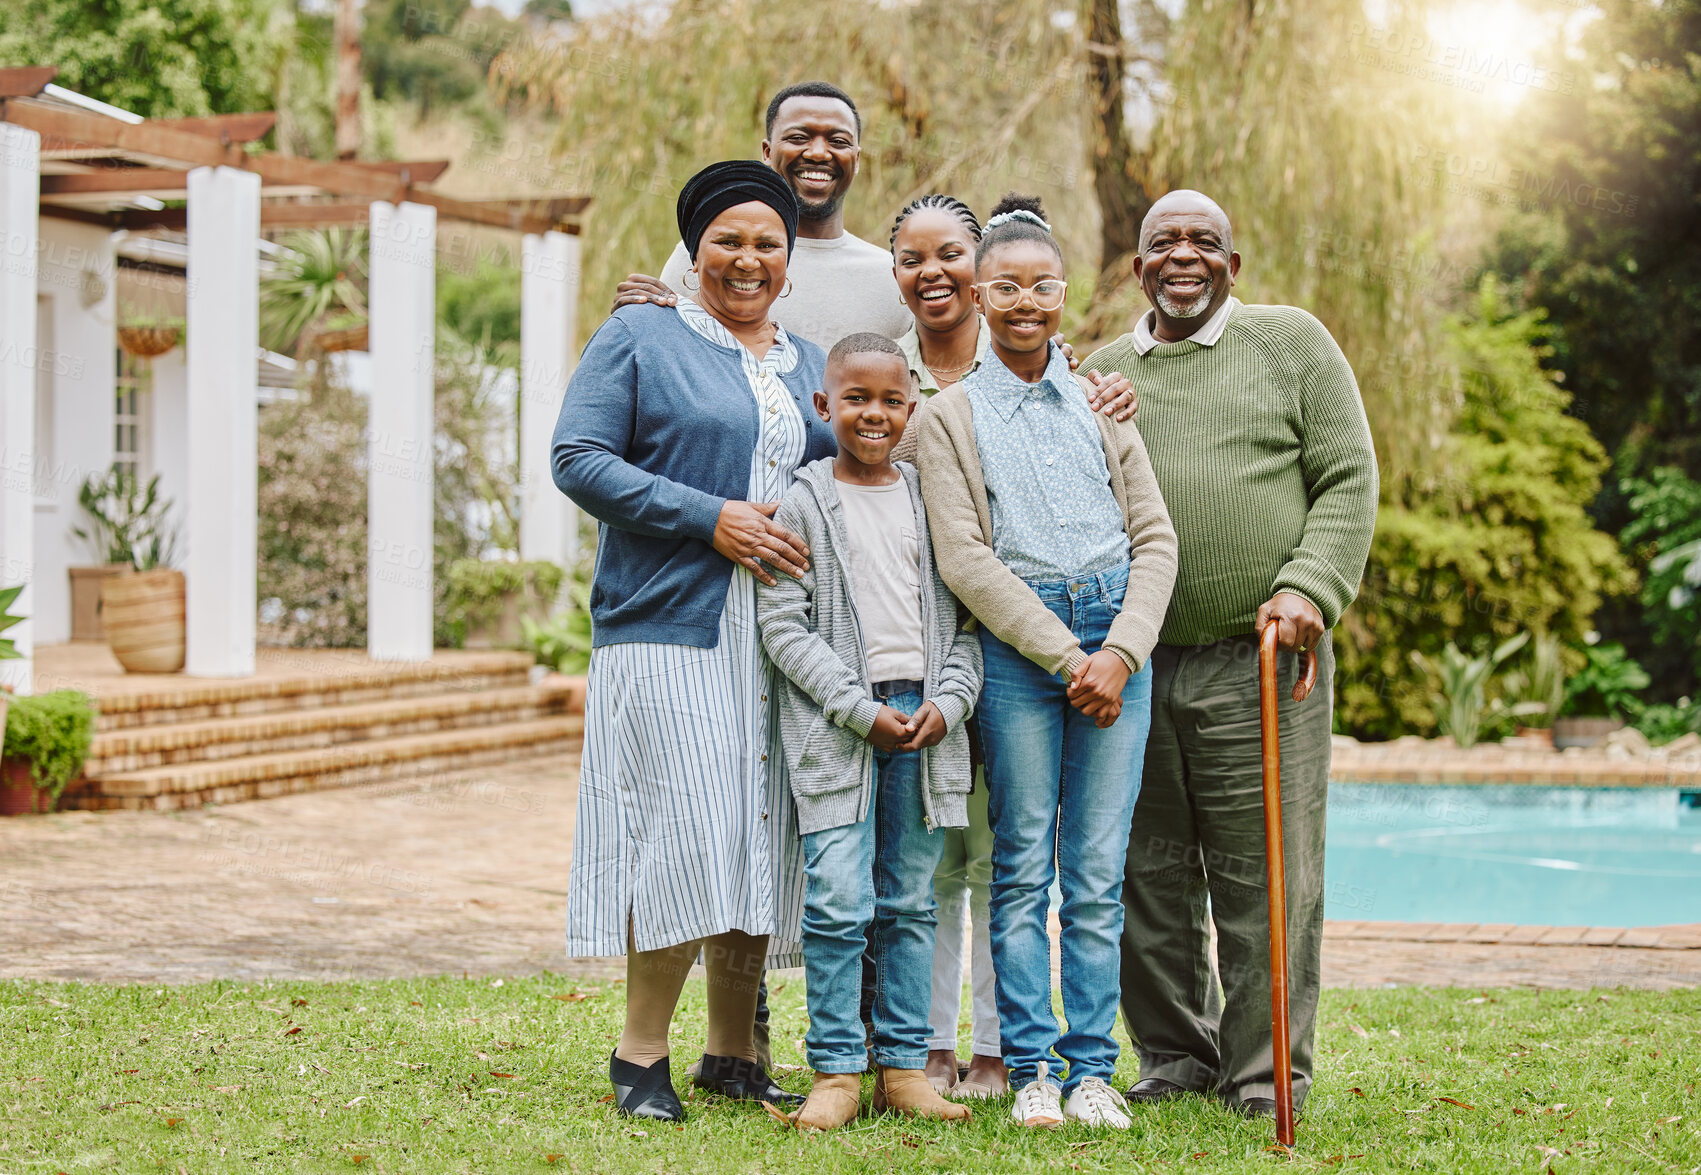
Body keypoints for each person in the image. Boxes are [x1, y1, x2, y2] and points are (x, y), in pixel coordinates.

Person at [1080, 189, 1378, 1118]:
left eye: (1203, 242)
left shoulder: (1291, 344)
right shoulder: (1100, 371)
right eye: (1162, 242)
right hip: (1134, 662)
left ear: (1231, 265)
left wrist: (1308, 586)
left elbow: (1347, 474)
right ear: (1136, 269)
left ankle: (1264, 1072)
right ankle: (1174, 1056)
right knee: (1148, 873)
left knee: (1264, 874)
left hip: (1259, 657)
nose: (1182, 255)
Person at [551, 159, 837, 1123]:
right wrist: (708, 516)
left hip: (778, 638)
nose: (747, 258)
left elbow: (870, 456)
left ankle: (732, 1049)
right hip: (668, 626)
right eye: (728, 239)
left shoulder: (808, 365)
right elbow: (577, 459)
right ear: (693, 250)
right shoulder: (640, 334)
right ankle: (640, 1055)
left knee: (756, 828)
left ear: (789, 262)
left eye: (767, 243)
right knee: (680, 830)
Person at [916, 194, 1178, 1130]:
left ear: (1064, 294)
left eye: (1042, 285)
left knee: (1096, 872)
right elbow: (964, 557)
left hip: (1118, 645)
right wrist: (1069, 657)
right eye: (1006, 286)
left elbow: (1154, 537)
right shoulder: (946, 417)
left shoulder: (1100, 400)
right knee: (1022, 863)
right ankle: (1030, 1066)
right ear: (979, 295)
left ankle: (1092, 1069)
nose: (1025, 301)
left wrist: (1120, 651)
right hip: (1027, 655)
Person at [756, 332, 983, 1131]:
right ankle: (835, 1071)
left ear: (910, 408)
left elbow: (965, 623)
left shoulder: (930, 498)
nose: (874, 414)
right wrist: (859, 709)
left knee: (910, 903)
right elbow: (783, 629)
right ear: (825, 407)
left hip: (925, 731)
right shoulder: (802, 503)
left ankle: (902, 1066)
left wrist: (946, 705)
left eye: (890, 399)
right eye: (856, 398)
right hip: (840, 731)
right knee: (838, 902)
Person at [883, 194, 1002, 1099]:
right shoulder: (884, 375)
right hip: (917, 640)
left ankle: (997, 1046)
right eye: (912, 259)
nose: (932, 273)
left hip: (1009, 634)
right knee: (930, 853)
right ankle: (924, 1042)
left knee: (999, 853)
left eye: (950, 254)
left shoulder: (1032, 365)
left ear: (979, 260)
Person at [617, 81, 909, 341]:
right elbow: (658, 350)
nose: (819, 153)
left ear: (856, 160)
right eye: (798, 138)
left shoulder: (889, 276)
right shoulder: (704, 257)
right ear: (767, 152)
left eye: (838, 141)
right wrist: (628, 323)